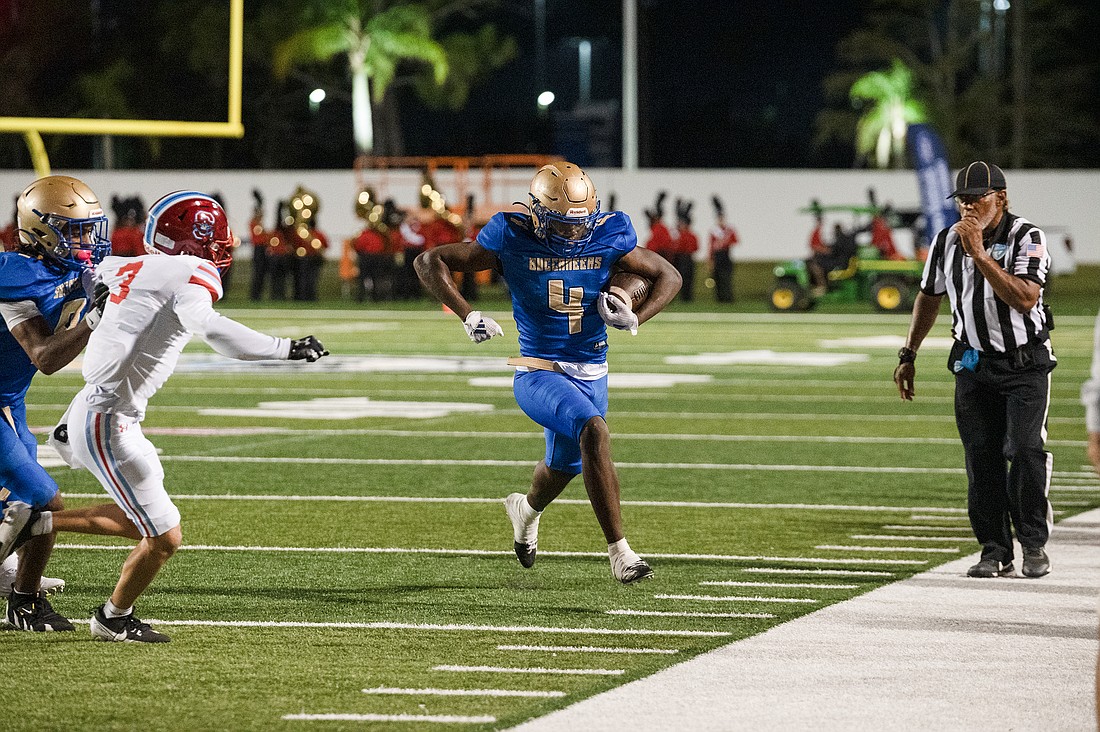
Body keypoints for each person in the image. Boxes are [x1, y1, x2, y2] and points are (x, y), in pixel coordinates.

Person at [0, 191, 330, 642]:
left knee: (154, 525)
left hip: (97, 411)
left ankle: (103, 606)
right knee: (161, 533)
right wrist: (285, 348)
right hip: (105, 419)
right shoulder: (186, 270)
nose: (223, 245)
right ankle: (89, 594)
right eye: (215, 236)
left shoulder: (124, 265)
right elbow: (212, 328)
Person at [414, 161, 681, 584]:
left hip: (593, 369)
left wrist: (636, 315)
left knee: (564, 466)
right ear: (538, 211)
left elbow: (668, 274)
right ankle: (620, 553)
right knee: (594, 431)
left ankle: (526, 510)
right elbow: (430, 260)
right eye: (563, 223)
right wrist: (467, 314)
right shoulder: (511, 234)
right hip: (538, 370)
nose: (575, 232)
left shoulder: (610, 232)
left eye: (581, 223)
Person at [894, 161, 1055, 579]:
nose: (968, 206)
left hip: (1023, 363)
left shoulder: (1027, 236)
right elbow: (929, 297)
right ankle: (994, 548)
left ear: (1000, 198)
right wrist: (908, 353)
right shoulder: (947, 240)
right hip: (972, 363)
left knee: (1023, 450)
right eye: (963, 199)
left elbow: (1024, 299)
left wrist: (980, 254)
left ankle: (1033, 543)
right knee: (980, 459)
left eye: (977, 197)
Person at [0, 174, 112, 631]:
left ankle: (10, 577)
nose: (87, 240)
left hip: (10, 401)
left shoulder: (63, 269)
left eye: (89, 228)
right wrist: (94, 319)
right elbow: (44, 357)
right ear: (42, 230)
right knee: (45, 505)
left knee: (16, 505)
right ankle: (24, 602)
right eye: (75, 230)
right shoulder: (14, 275)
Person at [709, 195, 738, 303]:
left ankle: (728, 297)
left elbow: (736, 241)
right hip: (717, 256)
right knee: (717, 278)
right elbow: (711, 247)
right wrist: (710, 260)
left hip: (726, 255)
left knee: (726, 278)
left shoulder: (729, 230)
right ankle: (720, 298)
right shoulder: (714, 231)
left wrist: (725, 242)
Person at [672, 198, 697, 302]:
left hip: (686, 258)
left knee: (688, 279)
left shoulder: (689, 235)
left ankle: (686, 298)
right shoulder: (677, 234)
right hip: (679, 258)